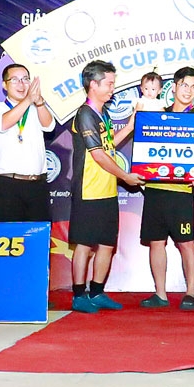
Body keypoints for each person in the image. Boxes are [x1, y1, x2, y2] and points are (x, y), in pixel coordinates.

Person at [69, 60, 146, 313]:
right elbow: (99, 155)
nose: (113, 88)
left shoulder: (104, 114)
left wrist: (131, 126)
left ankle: (97, 291)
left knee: (106, 244)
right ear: (93, 84)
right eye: (109, 83)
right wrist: (125, 176)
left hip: (107, 190)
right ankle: (79, 295)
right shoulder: (85, 113)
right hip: (88, 190)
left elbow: (109, 144)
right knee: (84, 244)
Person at [138, 66, 194, 310]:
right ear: (174, 87)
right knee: (156, 242)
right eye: (184, 85)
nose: (188, 91)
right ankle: (160, 294)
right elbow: (144, 147)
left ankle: (191, 293)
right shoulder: (157, 115)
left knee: (186, 242)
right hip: (155, 188)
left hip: (182, 192)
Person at [0, 64, 56, 222]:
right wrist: (28, 100)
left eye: (25, 79)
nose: (21, 84)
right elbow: (3, 124)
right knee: (10, 234)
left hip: (38, 184)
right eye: (15, 80)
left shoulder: (36, 108)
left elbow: (49, 126)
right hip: (9, 185)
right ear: (4, 85)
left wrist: (39, 103)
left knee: (39, 232)